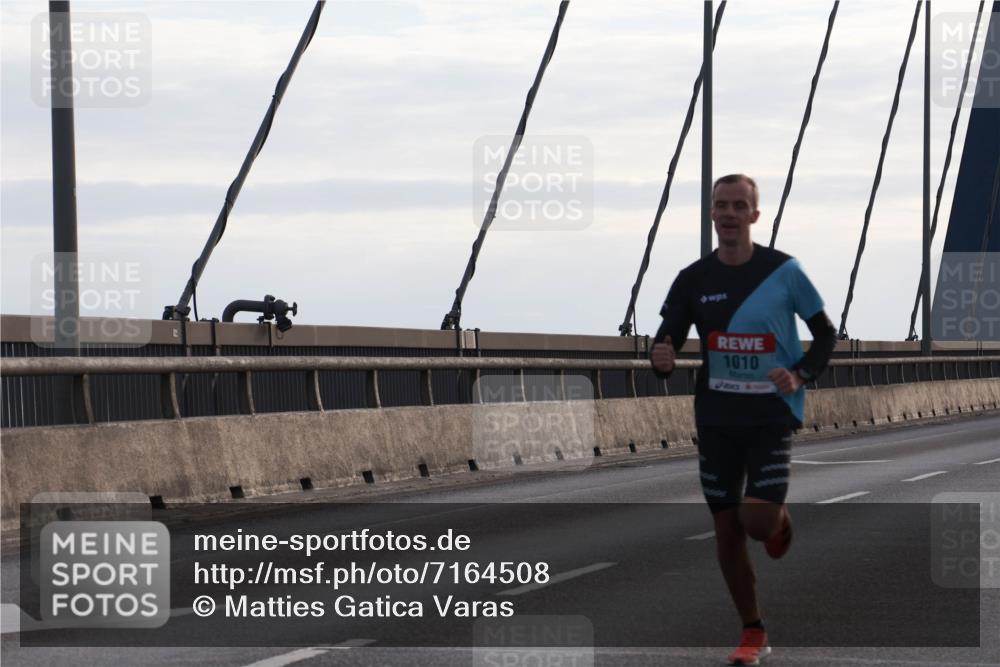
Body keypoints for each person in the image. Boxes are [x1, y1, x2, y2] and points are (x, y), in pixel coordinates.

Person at [650, 174, 836, 666]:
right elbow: (665, 339)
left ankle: (775, 521)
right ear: (711, 214)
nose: (728, 214)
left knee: (754, 522)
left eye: (739, 206)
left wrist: (801, 374)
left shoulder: (785, 270)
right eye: (720, 205)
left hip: (771, 413)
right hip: (716, 415)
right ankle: (752, 630)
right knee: (726, 527)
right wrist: (660, 358)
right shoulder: (693, 278)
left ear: (755, 215)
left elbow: (825, 335)